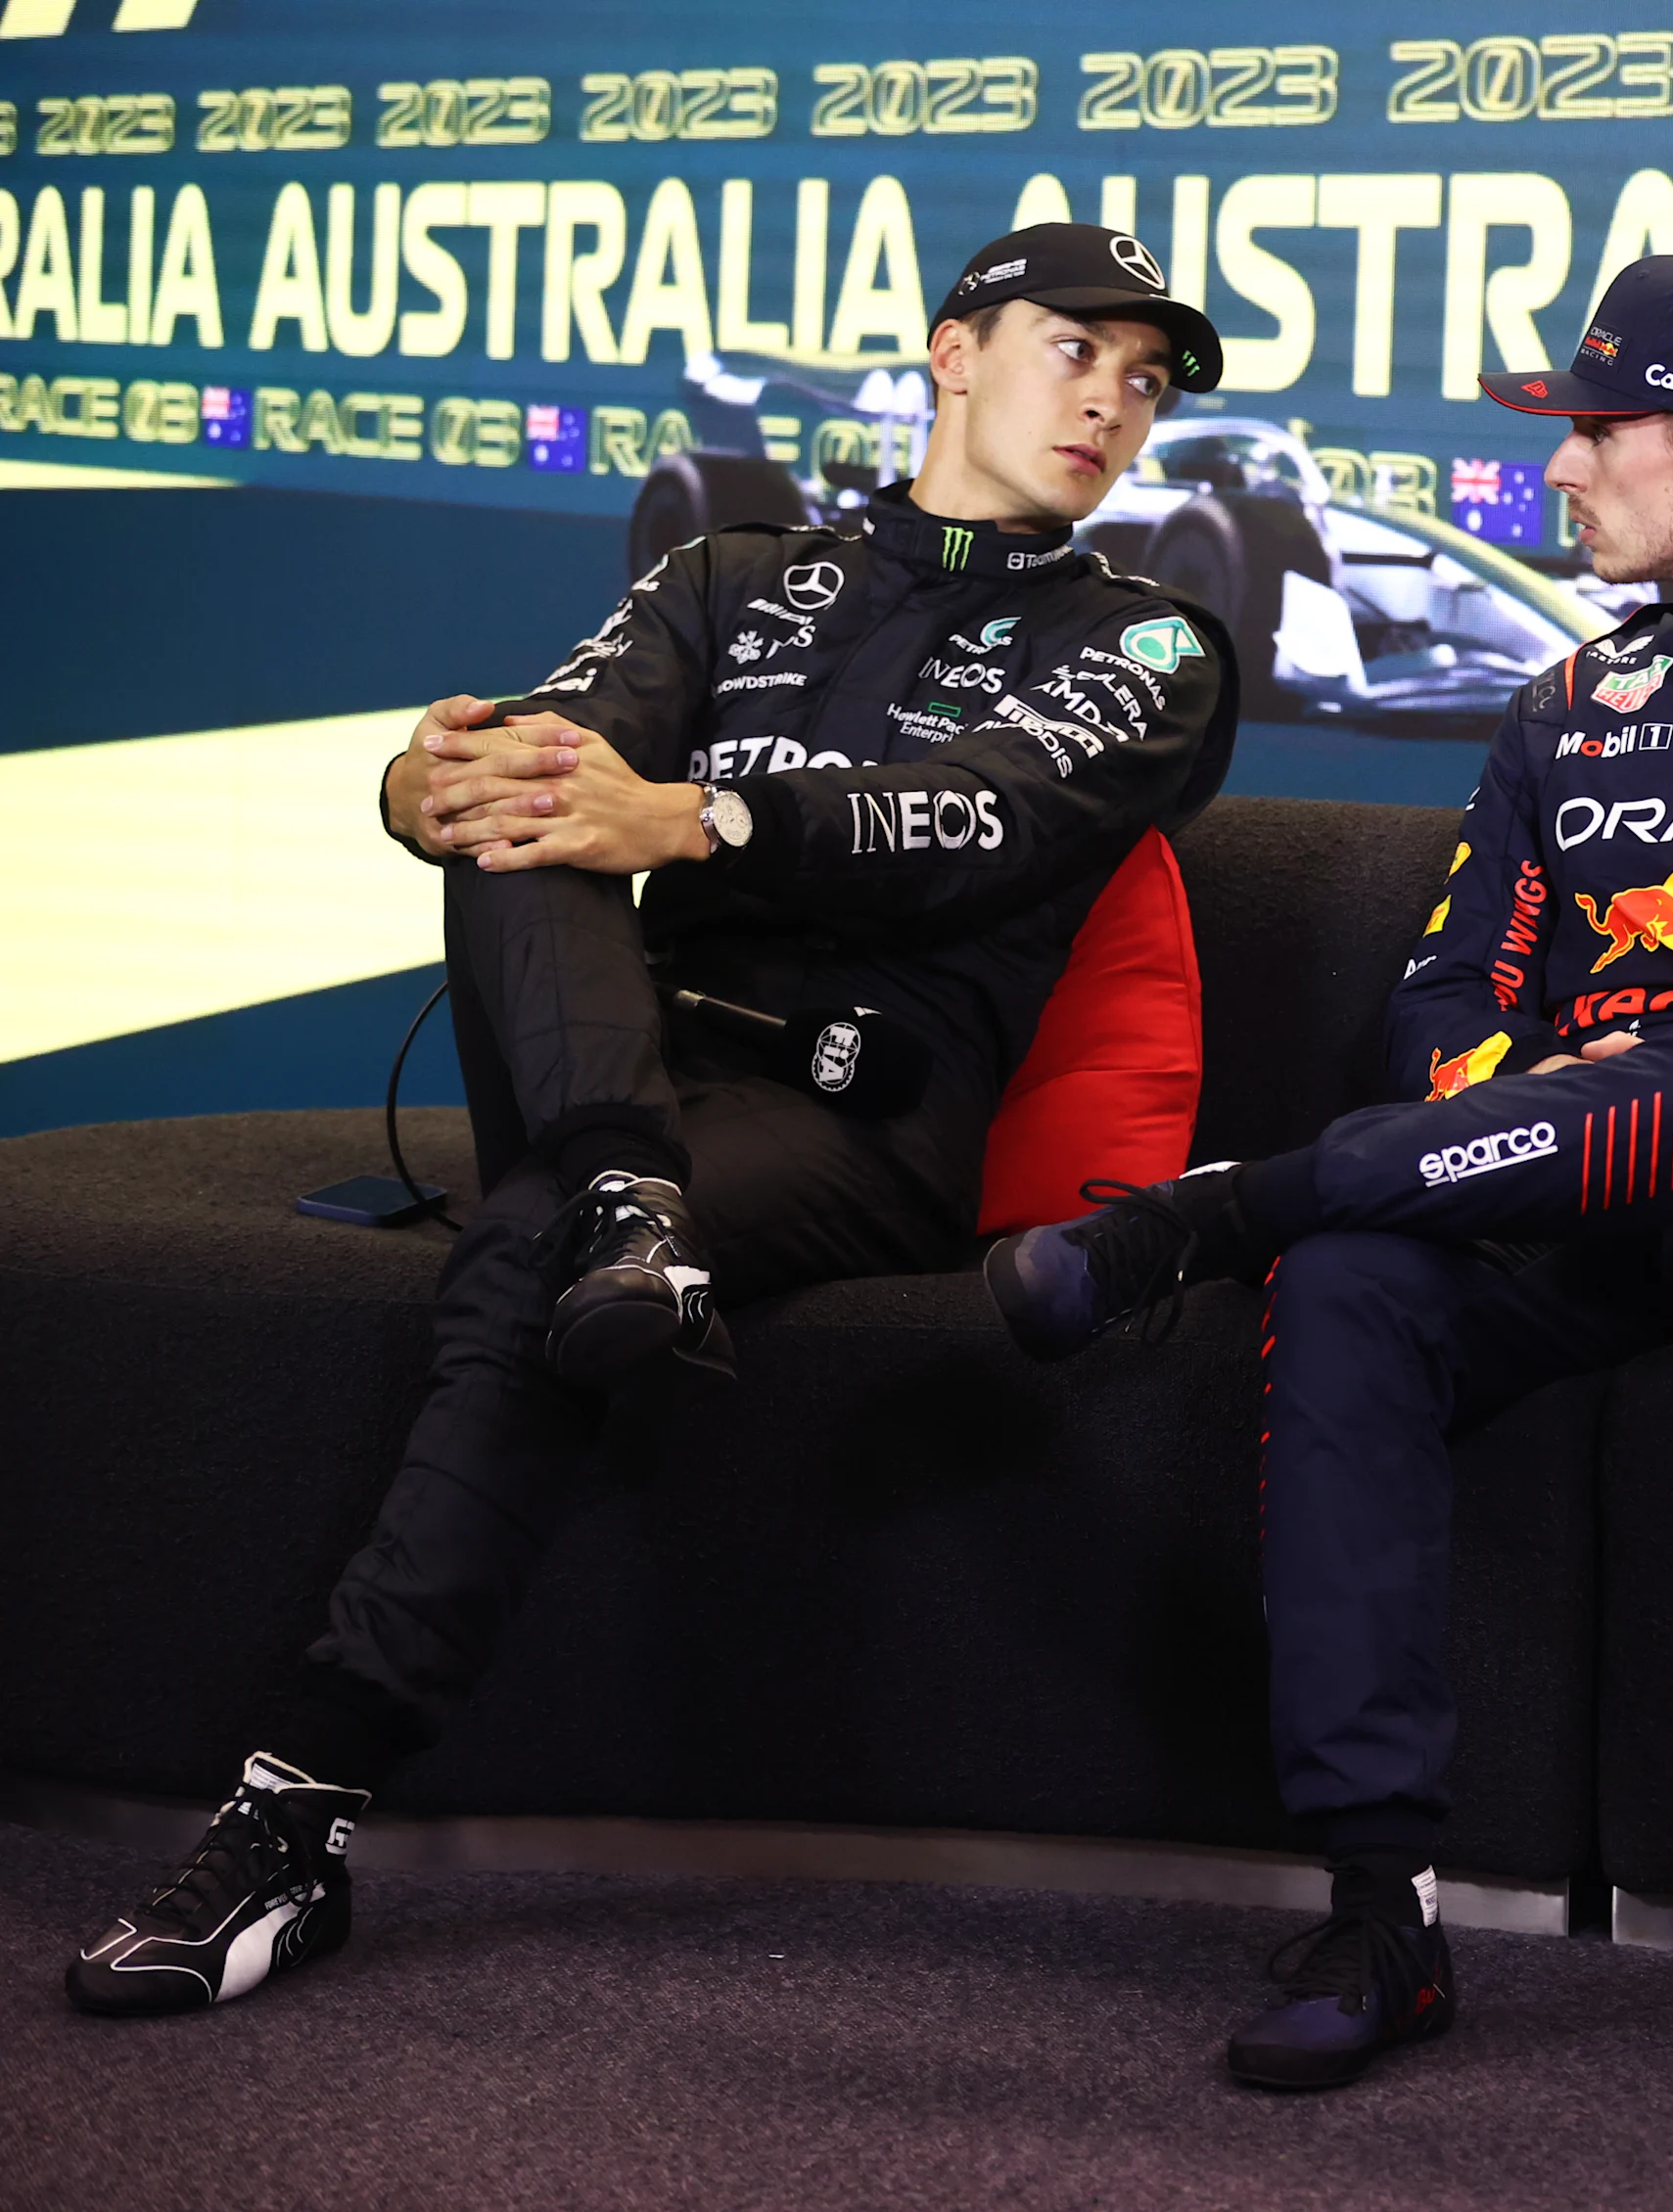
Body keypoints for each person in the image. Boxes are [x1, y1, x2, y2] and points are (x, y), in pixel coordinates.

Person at [66, 225, 1236, 2017]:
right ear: (950, 350)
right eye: (1076, 349)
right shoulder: (732, 573)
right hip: (613, 1064)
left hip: (848, 1121)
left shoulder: (1151, 644)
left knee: (526, 1233)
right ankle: (628, 1202)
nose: (1111, 399)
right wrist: (418, 780)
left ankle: (290, 1820)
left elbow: (979, 824)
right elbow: (536, 765)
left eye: (1145, 382)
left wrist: (696, 822)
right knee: (525, 792)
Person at [985, 253, 1673, 2088]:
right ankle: (1381, 1912)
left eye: (1596, 431)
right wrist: (1560, 1111)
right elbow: (1449, 1001)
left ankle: (1220, 1206)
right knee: (1354, 1277)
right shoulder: (1568, 702)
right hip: (1578, 1209)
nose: (1563, 471)